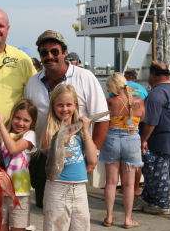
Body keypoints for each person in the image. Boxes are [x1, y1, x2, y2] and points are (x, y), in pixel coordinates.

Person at [23, 30, 109, 208]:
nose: (50, 56)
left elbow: (102, 119)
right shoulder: (32, 82)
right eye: (44, 53)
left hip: (77, 157)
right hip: (44, 157)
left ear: (64, 53)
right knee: (46, 207)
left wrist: (93, 154)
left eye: (54, 51)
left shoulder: (85, 77)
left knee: (75, 209)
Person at [41, 84, 97, 231]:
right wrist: (61, 141)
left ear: (75, 106)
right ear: (53, 107)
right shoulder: (49, 130)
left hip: (79, 189)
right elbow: (52, 160)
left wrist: (86, 130)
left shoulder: (80, 131)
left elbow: (92, 159)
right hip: (57, 189)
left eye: (69, 105)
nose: (64, 109)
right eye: (60, 105)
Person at [0, 99, 37, 231]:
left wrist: (1, 126)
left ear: (32, 123)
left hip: (19, 196)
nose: (20, 123)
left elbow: (13, 148)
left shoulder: (30, 135)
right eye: (17, 118)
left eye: (26, 120)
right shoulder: (2, 134)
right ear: (12, 116)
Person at [134, 62, 170, 215]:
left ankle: (162, 204)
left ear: (154, 75)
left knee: (157, 174)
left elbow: (151, 121)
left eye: (149, 74)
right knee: (154, 173)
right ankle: (149, 199)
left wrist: (143, 140)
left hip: (159, 142)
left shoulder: (157, 94)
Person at [100, 73, 144, 229]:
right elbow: (142, 119)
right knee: (129, 184)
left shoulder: (109, 102)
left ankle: (109, 217)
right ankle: (127, 218)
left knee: (111, 182)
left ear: (112, 86)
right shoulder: (138, 102)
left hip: (112, 140)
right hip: (131, 140)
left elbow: (102, 122)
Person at [111, 69, 148, 197]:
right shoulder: (142, 90)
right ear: (135, 79)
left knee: (115, 174)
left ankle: (121, 191)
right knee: (134, 164)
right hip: (134, 130)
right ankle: (136, 189)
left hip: (115, 133)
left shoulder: (114, 93)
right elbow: (143, 115)